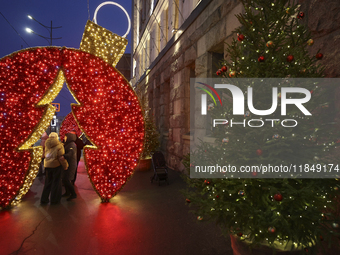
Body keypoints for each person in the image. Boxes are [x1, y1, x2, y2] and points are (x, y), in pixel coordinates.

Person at [40, 132, 65, 205]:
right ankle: (54, 200)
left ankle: (44, 199)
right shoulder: (59, 145)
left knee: (47, 183)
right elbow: (61, 157)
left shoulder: (46, 143)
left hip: (47, 166)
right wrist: (65, 165)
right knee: (56, 183)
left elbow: (43, 154)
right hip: (56, 166)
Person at [62, 133, 78, 201]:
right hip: (68, 164)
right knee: (65, 179)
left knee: (67, 179)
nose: (64, 138)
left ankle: (73, 194)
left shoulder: (72, 145)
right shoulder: (68, 144)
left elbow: (70, 154)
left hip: (71, 165)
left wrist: (64, 156)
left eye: (65, 137)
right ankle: (67, 192)